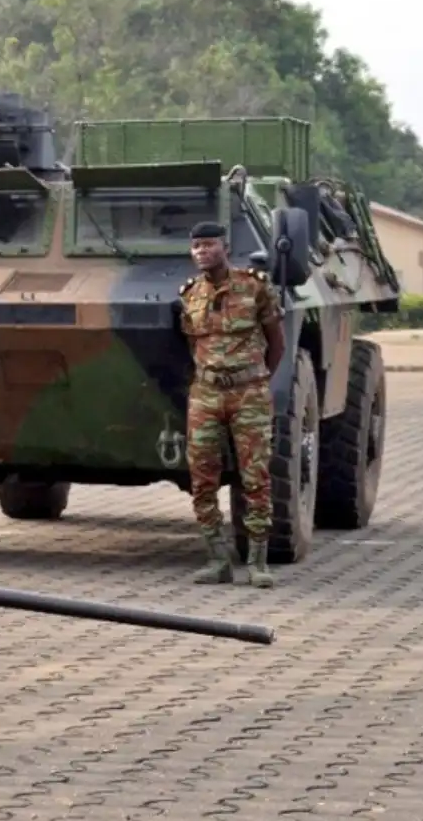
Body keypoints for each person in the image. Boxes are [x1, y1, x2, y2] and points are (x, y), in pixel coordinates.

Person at [178, 219, 283, 588]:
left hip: (249, 393)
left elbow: (277, 342)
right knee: (202, 478)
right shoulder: (190, 294)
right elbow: (194, 345)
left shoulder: (254, 286)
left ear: (225, 247)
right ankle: (217, 559)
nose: (202, 251)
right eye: (197, 246)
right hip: (205, 394)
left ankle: (257, 562)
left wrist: (256, 380)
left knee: (256, 477)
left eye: (209, 244)